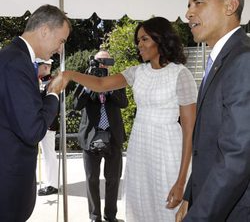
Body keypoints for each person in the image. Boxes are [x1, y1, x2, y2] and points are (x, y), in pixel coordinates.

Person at [62, 17, 197, 222]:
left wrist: (181, 183)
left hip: (168, 150)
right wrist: (69, 74)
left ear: (160, 39)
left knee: (167, 212)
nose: (139, 45)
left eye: (144, 39)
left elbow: (190, 131)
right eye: (138, 40)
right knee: (142, 207)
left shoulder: (181, 74)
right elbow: (100, 83)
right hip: (140, 148)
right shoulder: (136, 72)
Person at [175, 0, 250, 222]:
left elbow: (237, 157)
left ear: (230, 6)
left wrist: (198, 216)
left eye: (198, 3)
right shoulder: (221, 60)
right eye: (188, 5)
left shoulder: (243, 60)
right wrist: (190, 195)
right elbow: (207, 145)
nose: (188, 13)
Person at [0, 4, 71, 221]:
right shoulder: (16, 62)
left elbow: (17, 110)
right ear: (44, 31)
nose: (60, 49)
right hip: (8, 184)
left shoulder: (14, 57)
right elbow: (32, 130)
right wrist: (54, 94)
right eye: (61, 41)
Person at [73, 51, 128, 222]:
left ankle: (110, 216)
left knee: (113, 179)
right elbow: (76, 104)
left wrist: (108, 87)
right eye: (99, 61)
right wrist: (90, 85)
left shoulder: (117, 81)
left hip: (113, 137)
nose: (102, 65)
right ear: (93, 62)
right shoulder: (85, 80)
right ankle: (94, 217)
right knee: (91, 179)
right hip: (90, 137)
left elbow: (124, 103)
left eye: (106, 62)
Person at [36, 58, 60, 196]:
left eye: (38, 66)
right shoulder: (39, 81)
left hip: (48, 123)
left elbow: (51, 104)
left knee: (48, 154)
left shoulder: (52, 82)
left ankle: (52, 184)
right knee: (45, 154)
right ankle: (48, 180)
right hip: (40, 123)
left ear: (45, 67)